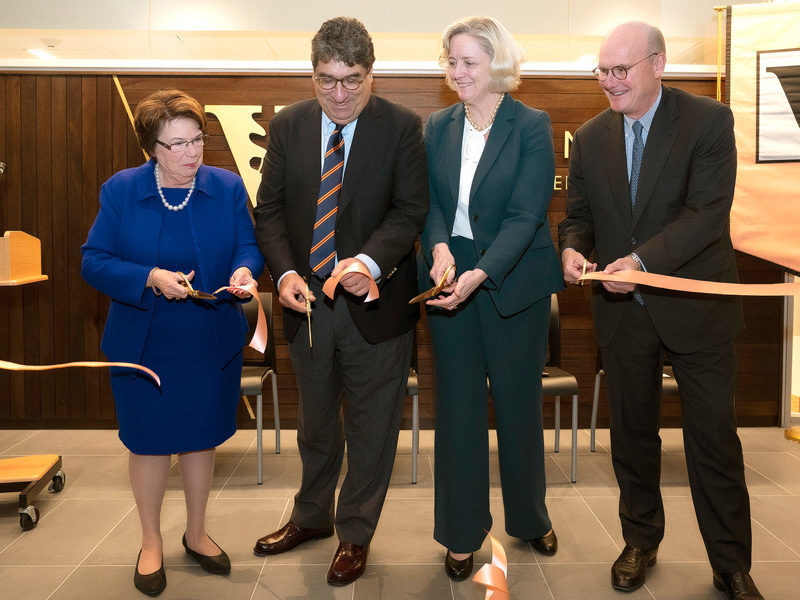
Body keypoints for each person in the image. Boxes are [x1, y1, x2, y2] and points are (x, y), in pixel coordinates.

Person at [559, 22, 762, 600]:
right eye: (603, 71)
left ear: (658, 64)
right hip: (621, 314)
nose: (609, 81)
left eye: (620, 70)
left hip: (697, 308)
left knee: (713, 439)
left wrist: (639, 262)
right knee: (632, 437)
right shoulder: (591, 136)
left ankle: (730, 563)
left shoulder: (708, 121)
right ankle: (640, 541)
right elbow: (579, 216)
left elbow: (706, 215)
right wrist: (572, 248)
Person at [251, 17, 428, 586]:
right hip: (306, 305)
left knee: (372, 428)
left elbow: (410, 211)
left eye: (352, 79)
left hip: (375, 306)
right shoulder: (288, 125)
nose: (340, 93)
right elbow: (269, 211)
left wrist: (367, 264)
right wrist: (283, 274)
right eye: (327, 80)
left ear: (371, 74)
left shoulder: (402, 128)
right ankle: (311, 517)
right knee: (316, 424)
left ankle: (355, 533)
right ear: (312, 75)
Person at [81, 89, 264, 597]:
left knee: (200, 436)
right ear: (151, 148)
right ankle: (150, 541)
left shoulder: (226, 186)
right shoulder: (122, 190)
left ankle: (197, 532)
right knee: (149, 441)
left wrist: (244, 271)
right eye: (177, 144)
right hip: (143, 341)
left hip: (209, 338)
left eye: (197, 139)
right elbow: (93, 260)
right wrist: (149, 276)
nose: (192, 152)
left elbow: (247, 245)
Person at [418, 16, 564, 581]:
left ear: (497, 63)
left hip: (513, 282)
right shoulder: (438, 125)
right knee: (457, 410)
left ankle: (529, 518)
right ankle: (461, 535)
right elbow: (431, 203)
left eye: (469, 62)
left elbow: (527, 216)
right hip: (447, 277)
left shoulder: (531, 124)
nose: (457, 72)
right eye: (451, 61)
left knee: (517, 406)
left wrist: (480, 273)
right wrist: (437, 247)